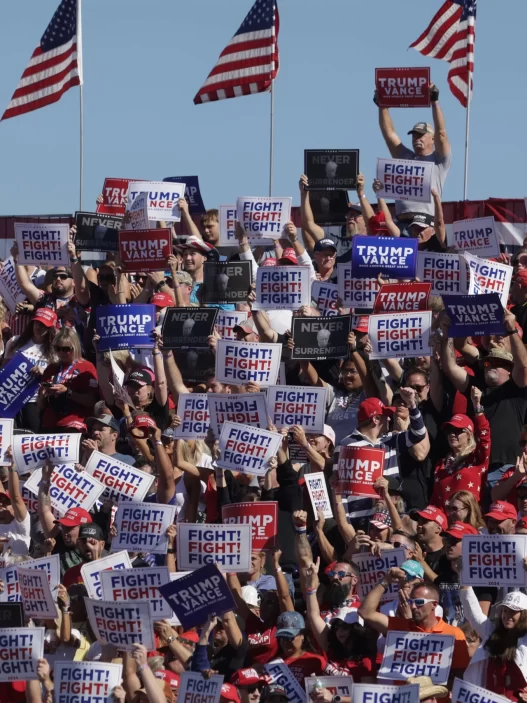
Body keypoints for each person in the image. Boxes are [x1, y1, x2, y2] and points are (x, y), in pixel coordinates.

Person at [359, 568, 470, 678]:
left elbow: (461, 676)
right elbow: (365, 612)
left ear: (434, 605)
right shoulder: (400, 627)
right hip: (402, 695)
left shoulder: (454, 634)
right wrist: (386, 580)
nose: (412, 606)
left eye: (419, 602)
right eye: (411, 602)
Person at [376, 83, 451, 222]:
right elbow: (389, 134)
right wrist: (382, 106)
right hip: (402, 223)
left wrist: (434, 101)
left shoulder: (439, 160)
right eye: (414, 135)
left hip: (426, 223)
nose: (416, 138)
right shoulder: (405, 157)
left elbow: (441, 133)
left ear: (432, 138)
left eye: (421, 135)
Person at [460, 587, 527, 698]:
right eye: (505, 610)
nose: (507, 616)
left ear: (524, 614)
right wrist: (464, 583)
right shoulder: (492, 633)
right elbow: (474, 614)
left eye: (513, 611)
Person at [430, 390, 491, 510]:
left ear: (469, 435)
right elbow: (435, 499)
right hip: (446, 525)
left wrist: (477, 407)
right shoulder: (441, 464)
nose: (452, 434)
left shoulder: (477, 458)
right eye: (449, 431)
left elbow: (485, 438)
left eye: (458, 431)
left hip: (470, 522)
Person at [3, 307, 57, 431]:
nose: (38, 327)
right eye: (37, 322)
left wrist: (44, 372)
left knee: (32, 434)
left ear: (50, 328)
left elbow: (57, 377)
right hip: (10, 397)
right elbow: (4, 369)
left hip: (34, 400)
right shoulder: (15, 341)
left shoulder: (54, 351)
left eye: (44, 325)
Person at [38, 326, 98, 430]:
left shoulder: (87, 367)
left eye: (66, 349)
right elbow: (40, 405)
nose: (61, 353)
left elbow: (91, 401)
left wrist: (67, 392)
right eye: (57, 348)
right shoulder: (51, 368)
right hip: (49, 424)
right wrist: (43, 395)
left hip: (75, 425)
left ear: (75, 348)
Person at [63, 523, 107, 589]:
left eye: (92, 542)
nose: (88, 546)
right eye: (83, 542)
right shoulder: (70, 574)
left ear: (102, 545)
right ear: (78, 544)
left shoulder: (111, 571)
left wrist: (95, 559)